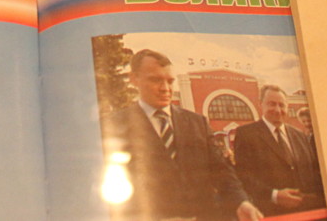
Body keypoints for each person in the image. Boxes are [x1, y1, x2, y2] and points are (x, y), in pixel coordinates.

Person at [102, 50, 262, 221]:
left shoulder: (197, 123)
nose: (165, 88)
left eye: (170, 81)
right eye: (155, 80)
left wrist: (241, 202)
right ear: (134, 79)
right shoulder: (113, 125)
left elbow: (221, 170)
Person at [232, 85, 324, 217]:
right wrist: (274, 195)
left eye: (281, 105)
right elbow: (243, 175)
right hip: (271, 213)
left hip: (307, 212)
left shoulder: (300, 136)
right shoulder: (246, 134)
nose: (277, 110)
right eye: (272, 104)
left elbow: (314, 172)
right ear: (260, 104)